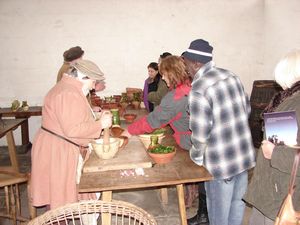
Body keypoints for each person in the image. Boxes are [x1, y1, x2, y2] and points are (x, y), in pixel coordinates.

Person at [183, 39, 256, 225]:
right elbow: (246, 111)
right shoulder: (231, 76)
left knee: (219, 216)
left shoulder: (199, 89)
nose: (186, 70)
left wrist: (197, 158)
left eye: (187, 64)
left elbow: (200, 135)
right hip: (243, 157)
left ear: (196, 63)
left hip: (221, 164)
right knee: (237, 207)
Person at [31, 59, 112, 210]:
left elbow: (70, 117)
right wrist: (100, 124)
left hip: (56, 145)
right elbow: (73, 130)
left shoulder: (68, 89)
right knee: (60, 197)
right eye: (94, 82)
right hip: (58, 149)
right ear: (84, 77)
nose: (94, 86)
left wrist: (90, 113)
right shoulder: (68, 93)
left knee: (60, 193)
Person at [243, 49, 300, 225]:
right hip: (272, 187)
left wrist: (273, 152)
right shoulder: (289, 98)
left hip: (280, 191)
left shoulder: (294, 104)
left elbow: (288, 152)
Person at [122, 55, 192, 151]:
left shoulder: (176, 96)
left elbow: (154, 120)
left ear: (172, 74)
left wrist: (129, 131)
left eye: (164, 74)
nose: (163, 78)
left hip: (192, 144)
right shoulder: (190, 86)